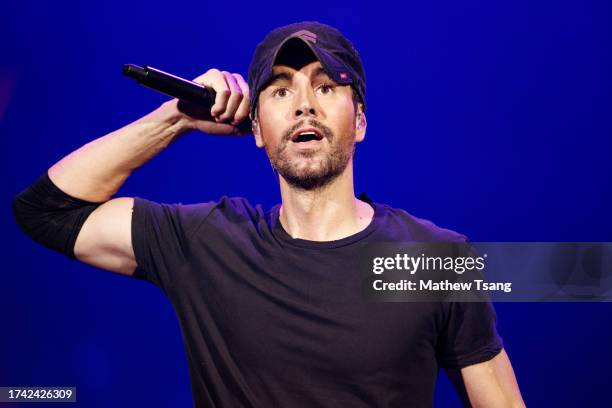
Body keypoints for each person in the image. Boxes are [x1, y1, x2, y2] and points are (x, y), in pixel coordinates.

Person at [13, 21, 525, 407]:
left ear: (361, 121)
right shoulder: (209, 242)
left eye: (326, 86)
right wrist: (175, 118)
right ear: (256, 127)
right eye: (281, 90)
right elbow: (47, 210)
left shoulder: (435, 259)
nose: (305, 105)